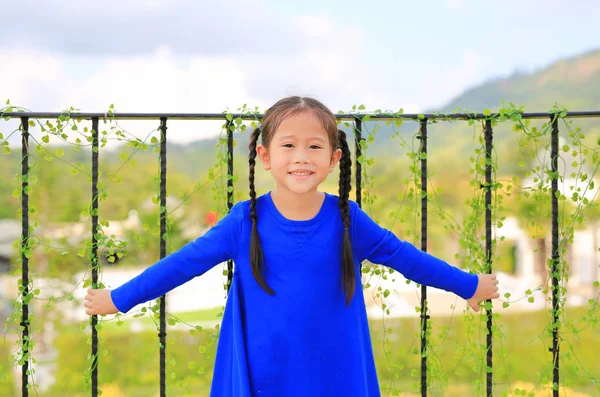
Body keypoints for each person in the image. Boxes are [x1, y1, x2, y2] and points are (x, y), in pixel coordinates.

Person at [84, 96, 500, 396]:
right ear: (265, 156)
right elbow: (183, 264)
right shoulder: (243, 222)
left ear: (334, 158)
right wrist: (120, 298)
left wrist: (467, 285)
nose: (302, 156)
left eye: (315, 146)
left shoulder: (348, 219)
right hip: (265, 368)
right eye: (288, 145)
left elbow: (405, 257)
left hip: (333, 367)